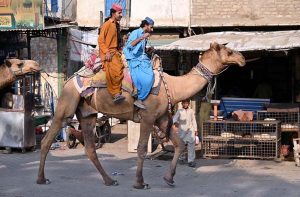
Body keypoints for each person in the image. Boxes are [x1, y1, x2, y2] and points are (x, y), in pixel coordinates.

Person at [123, 17, 155, 109]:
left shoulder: (144, 35)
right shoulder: (136, 32)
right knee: (148, 77)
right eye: (151, 27)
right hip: (133, 58)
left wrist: (148, 50)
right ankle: (140, 98)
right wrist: (142, 37)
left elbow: (140, 50)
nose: (152, 30)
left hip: (142, 58)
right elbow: (130, 45)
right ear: (146, 25)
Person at [98, 4, 125, 103]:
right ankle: (116, 93)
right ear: (113, 13)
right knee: (116, 71)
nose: (121, 15)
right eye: (119, 13)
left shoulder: (116, 25)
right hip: (108, 53)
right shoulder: (107, 24)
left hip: (116, 52)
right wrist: (107, 52)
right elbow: (100, 40)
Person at [173, 99, 198, 167]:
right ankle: (181, 158)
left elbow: (194, 121)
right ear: (182, 104)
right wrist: (176, 123)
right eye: (184, 103)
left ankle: (191, 161)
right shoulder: (179, 111)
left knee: (191, 146)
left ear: (188, 104)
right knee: (181, 146)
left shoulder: (191, 111)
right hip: (182, 131)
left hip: (190, 130)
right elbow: (174, 119)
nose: (185, 104)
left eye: (186, 103)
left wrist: (195, 130)